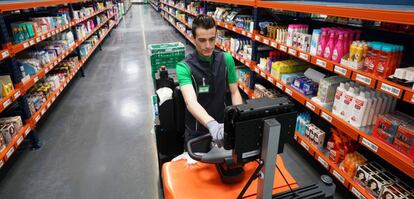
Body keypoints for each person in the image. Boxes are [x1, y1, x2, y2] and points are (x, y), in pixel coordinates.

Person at [176, 14, 243, 148]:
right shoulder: (184, 67)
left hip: (223, 127)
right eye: (202, 40)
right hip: (197, 132)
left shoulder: (226, 59)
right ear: (193, 38)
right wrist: (211, 124)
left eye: (212, 39)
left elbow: (234, 92)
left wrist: (238, 117)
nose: (208, 45)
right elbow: (190, 102)